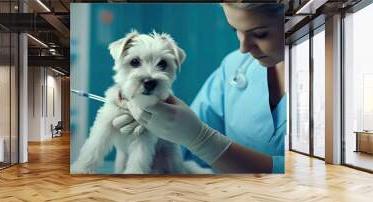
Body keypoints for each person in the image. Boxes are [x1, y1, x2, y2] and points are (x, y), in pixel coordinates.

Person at [112, 2, 286, 173]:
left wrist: (202, 140)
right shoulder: (234, 66)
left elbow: (307, 173)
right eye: (236, 30)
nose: (243, 48)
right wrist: (154, 141)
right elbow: (183, 153)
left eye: (261, 34)